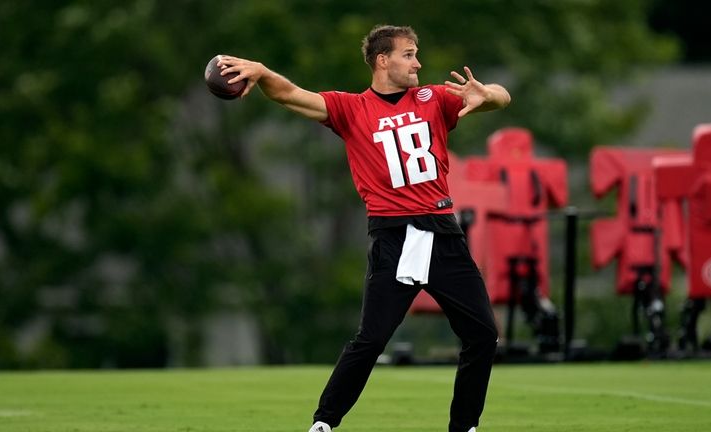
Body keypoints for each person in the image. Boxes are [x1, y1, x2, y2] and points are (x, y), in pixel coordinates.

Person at [218, 24, 510, 432]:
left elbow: (501, 96)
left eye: (416, 53)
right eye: (408, 54)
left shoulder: (434, 98)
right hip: (393, 236)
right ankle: (324, 423)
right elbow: (289, 95)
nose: (418, 62)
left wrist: (489, 94)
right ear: (382, 60)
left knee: (482, 335)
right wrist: (263, 72)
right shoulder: (352, 108)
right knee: (371, 340)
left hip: (442, 233)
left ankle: (464, 427)